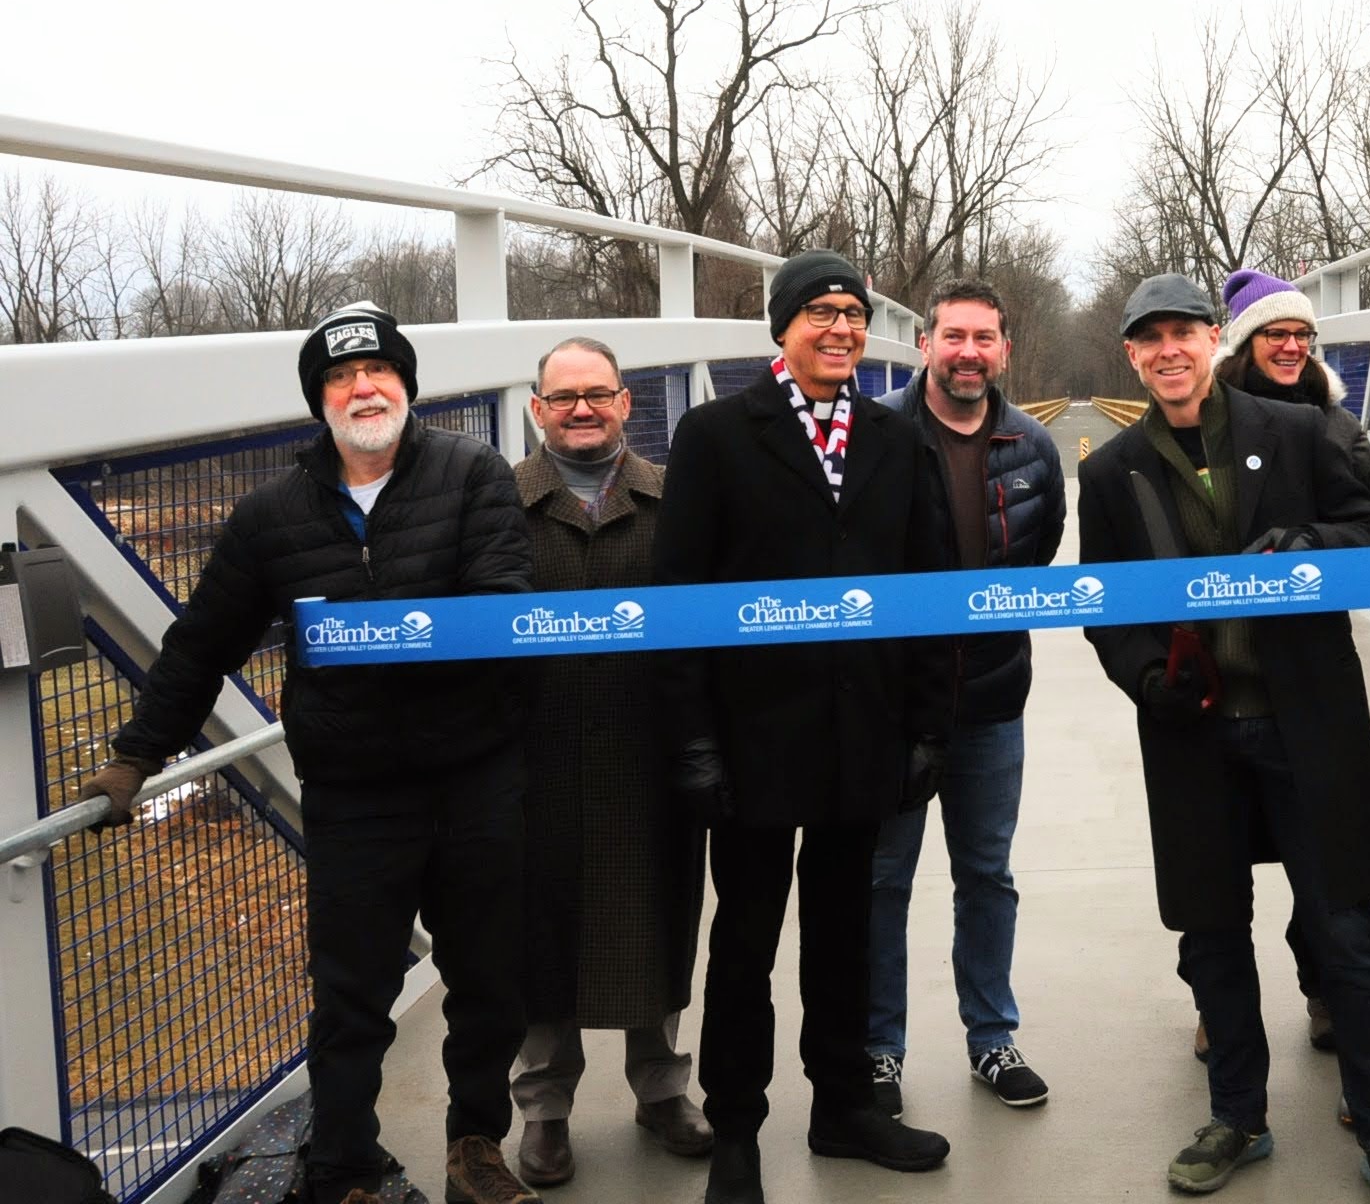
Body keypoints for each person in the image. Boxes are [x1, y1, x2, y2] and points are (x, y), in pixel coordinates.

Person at [77, 303, 540, 1204]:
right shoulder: (269, 515)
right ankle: (343, 1172)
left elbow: (501, 603)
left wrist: (383, 638)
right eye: (340, 377)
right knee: (351, 992)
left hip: (473, 773)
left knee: (488, 976)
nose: (363, 388)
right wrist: (137, 755)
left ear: (406, 385)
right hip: (354, 789)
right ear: (318, 399)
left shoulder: (473, 473)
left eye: (378, 372)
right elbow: (202, 642)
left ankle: (475, 1147)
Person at [1079, 273, 1370, 1204]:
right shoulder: (1109, 473)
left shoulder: (1300, 434)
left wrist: (1311, 543)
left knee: (1346, 937)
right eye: (1148, 340)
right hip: (1193, 736)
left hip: (1306, 724)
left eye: (1184, 333)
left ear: (1214, 337)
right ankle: (1239, 1115)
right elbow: (1106, 609)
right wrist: (1148, 679)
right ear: (1132, 358)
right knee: (1212, 938)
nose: (1168, 353)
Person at [652, 249, 957, 1204]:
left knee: (845, 929)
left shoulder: (894, 437)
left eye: (853, 314)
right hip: (752, 741)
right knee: (743, 940)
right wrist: (694, 742)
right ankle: (738, 1126)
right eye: (821, 311)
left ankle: (844, 1109)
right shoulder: (714, 436)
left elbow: (932, 589)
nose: (842, 328)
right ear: (782, 326)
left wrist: (928, 729)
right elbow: (679, 598)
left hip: (862, 731)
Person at [509, 337, 712, 1187]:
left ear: (630, 403)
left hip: (649, 747)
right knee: (539, 932)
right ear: (536, 410)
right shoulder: (500, 504)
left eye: (598, 394)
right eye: (563, 398)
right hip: (537, 752)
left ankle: (662, 1090)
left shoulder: (676, 500)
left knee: (656, 919)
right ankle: (544, 1110)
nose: (582, 409)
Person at [868, 279, 1066, 1117]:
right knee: (882, 881)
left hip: (991, 702)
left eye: (984, 338)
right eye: (953, 336)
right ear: (924, 345)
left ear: (1005, 350)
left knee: (987, 874)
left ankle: (992, 1038)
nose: (968, 353)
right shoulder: (877, 438)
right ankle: (878, 1052)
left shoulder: (1033, 446)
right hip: (894, 704)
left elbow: (1040, 552)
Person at [1182, 267, 1370, 1062]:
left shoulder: (1334, 428)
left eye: (1303, 335)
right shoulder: (1201, 426)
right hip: (1213, 684)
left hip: (1306, 683)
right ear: (1241, 346)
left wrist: (1310, 549)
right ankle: (1219, 1006)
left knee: (1325, 868)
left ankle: (1326, 991)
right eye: (1277, 334)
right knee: (1214, 869)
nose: (1294, 348)